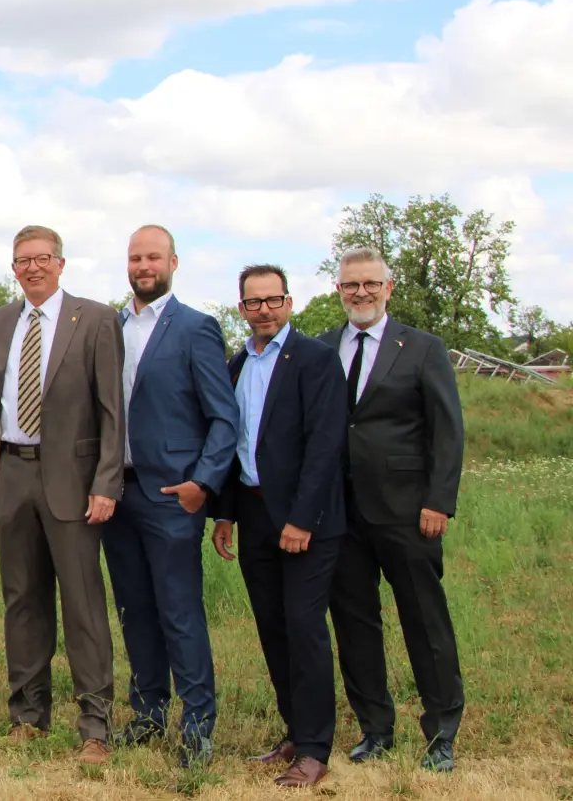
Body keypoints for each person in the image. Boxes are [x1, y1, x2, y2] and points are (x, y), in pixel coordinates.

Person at [0, 225, 124, 765]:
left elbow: (112, 411)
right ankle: (28, 717)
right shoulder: (0, 321)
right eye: (21, 261)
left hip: (74, 485)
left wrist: (106, 483)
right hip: (13, 475)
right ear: (13, 269)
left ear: (60, 263)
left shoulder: (96, 319)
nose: (31, 268)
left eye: (41, 259)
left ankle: (95, 726)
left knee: (82, 603)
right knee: (23, 601)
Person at [322, 247, 466, 772]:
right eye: (349, 286)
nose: (360, 293)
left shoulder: (422, 348)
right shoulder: (323, 347)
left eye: (369, 285)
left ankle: (442, 730)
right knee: (355, 625)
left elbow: (447, 431)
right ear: (338, 290)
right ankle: (375, 728)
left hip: (408, 512)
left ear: (388, 287)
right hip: (341, 515)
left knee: (425, 622)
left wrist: (438, 501)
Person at [102, 226, 239, 766]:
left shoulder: (196, 328)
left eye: (153, 256)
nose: (143, 265)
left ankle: (199, 722)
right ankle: (149, 710)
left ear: (174, 262)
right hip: (118, 493)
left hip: (171, 494)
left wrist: (202, 483)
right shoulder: (110, 327)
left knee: (179, 611)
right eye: (135, 256)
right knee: (135, 609)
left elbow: (224, 418)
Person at [212, 264, 347, 789]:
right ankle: (295, 730)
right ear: (241, 308)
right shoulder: (238, 362)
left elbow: (325, 446)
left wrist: (301, 519)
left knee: (305, 628)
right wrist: (224, 513)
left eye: (273, 300)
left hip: (304, 521)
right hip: (253, 513)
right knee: (273, 627)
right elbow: (231, 443)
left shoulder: (315, 359)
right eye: (253, 302)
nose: (264, 309)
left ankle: (315, 750)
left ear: (289, 302)